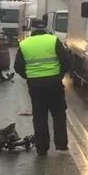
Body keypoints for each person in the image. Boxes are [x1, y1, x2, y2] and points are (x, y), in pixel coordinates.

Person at [14, 18, 75, 155]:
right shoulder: (53, 40)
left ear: (33, 29)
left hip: (35, 86)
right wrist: (59, 75)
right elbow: (66, 61)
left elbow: (17, 66)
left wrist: (29, 76)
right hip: (54, 84)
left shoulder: (25, 44)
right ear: (44, 28)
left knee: (39, 115)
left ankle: (42, 147)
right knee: (58, 113)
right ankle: (61, 144)